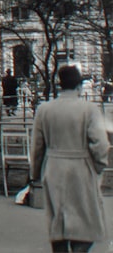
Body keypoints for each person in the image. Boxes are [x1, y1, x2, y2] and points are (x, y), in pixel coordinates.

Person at [30, 64, 109, 253]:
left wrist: (36, 173)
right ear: (79, 86)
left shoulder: (45, 109)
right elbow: (100, 144)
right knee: (84, 221)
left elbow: (37, 147)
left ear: (60, 85)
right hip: (81, 168)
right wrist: (98, 166)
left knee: (58, 220)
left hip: (54, 168)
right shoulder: (89, 109)